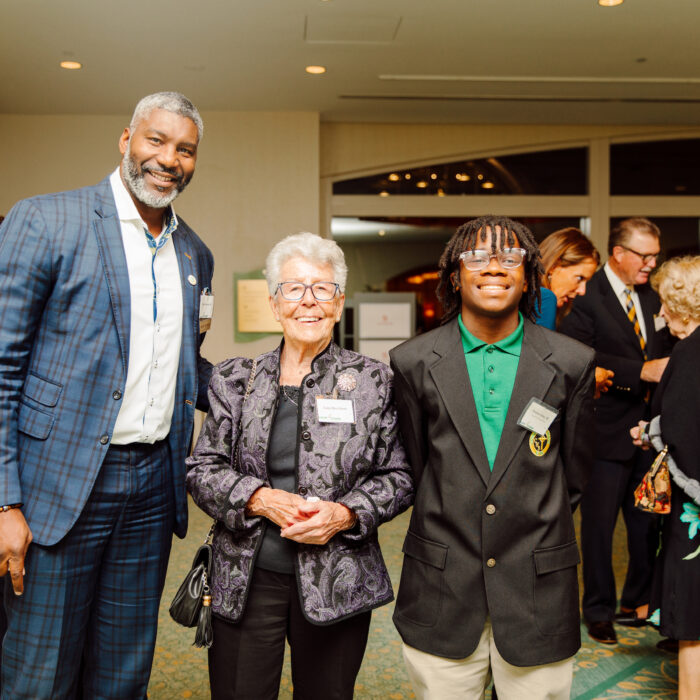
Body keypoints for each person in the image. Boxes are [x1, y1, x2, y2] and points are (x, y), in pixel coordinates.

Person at [0, 92, 213, 698]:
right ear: (126, 140)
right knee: (39, 673)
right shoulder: (46, 221)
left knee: (123, 671)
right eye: (156, 141)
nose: (168, 159)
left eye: (185, 150)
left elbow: (183, 366)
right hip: (56, 486)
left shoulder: (195, 254)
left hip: (151, 489)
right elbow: (2, 366)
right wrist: (2, 503)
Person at [186, 232, 413, 700]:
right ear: (274, 302)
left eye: (322, 288)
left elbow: (399, 475)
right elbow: (202, 467)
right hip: (246, 580)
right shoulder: (236, 379)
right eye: (293, 288)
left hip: (340, 576)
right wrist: (258, 498)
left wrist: (346, 513)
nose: (308, 301)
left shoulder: (374, 381)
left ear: (339, 301)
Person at [390, 216, 595, 699]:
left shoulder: (572, 361)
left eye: (509, 257)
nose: (494, 268)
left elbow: (574, 475)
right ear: (456, 274)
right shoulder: (412, 361)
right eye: (477, 257)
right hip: (443, 586)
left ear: (529, 275)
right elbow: (419, 468)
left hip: (536, 590)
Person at [559, 217, 673, 645]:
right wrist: (638, 372)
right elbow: (580, 357)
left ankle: (636, 603)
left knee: (645, 525)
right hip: (604, 431)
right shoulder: (588, 296)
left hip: (648, 432)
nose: (650, 263)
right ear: (619, 254)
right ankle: (599, 610)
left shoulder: (652, 295)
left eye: (655, 256)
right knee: (599, 528)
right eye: (644, 255)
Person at [630, 255, 700, 700]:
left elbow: (684, 430)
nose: (660, 314)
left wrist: (651, 435)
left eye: (664, 304)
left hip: (695, 513)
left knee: (694, 619)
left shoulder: (691, 351)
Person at [538, 227, 614, 397]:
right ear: (554, 267)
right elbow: (541, 374)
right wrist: (587, 379)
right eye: (579, 278)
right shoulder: (544, 299)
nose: (582, 291)